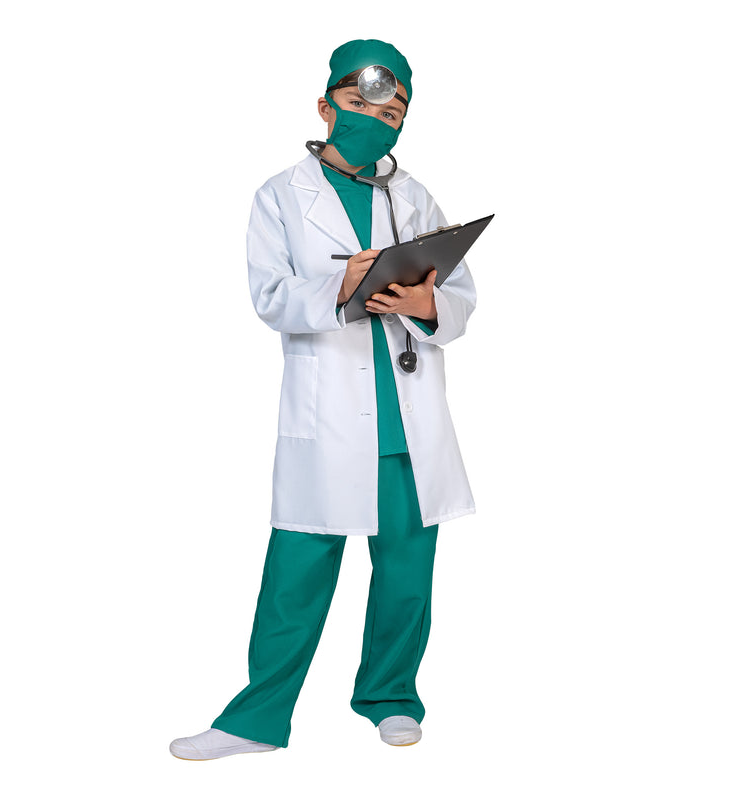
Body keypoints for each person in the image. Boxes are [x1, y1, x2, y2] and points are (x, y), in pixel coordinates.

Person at [170, 39, 477, 761]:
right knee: (297, 574)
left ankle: (390, 696)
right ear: (325, 105)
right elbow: (270, 297)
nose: (376, 118)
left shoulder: (416, 196)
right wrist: (338, 288)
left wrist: (429, 305)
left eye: (392, 112)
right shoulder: (280, 195)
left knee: (407, 571)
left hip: (408, 416)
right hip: (330, 416)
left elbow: (460, 298)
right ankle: (255, 721)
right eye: (360, 103)